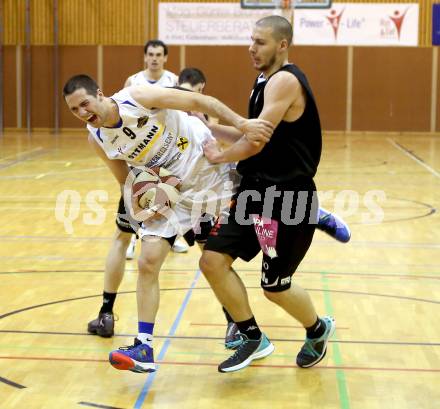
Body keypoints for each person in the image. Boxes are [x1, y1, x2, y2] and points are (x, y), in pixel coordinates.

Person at [63, 73, 273, 373]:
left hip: (204, 169)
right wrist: (144, 199)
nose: (83, 113)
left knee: (238, 237)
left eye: (84, 104)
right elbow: (125, 179)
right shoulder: (96, 137)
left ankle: (312, 215)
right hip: (168, 191)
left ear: (99, 93)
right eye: (74, 110)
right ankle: (144, 346)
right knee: (147, 261)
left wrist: (243, 123)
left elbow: (199, 101)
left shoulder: (137, 97)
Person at [200, 15, 336, 373]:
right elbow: (256, 133)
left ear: (282, 44)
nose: (251, 47)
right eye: (251, 40)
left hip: (289, 200)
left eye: (259, 42)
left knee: (274, 287)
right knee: (212, 260)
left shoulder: (285, 81)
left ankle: (318, 329)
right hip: (255, 195)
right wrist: (211, 128)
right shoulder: (262, 81)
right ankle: (251, 337)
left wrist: (220, 154)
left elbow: (256, 141)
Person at [124, 40, 188, 258]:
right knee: (140, 194)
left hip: (168, 147)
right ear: (145, 57)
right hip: (142, 150)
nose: (154, 58)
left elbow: (182, 113)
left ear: (165, 57)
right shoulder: (133, 81)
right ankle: (133, 239)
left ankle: (173, 236)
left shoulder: (173, 80)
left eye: (158, 54)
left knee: (171, 191)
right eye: (150, 54)